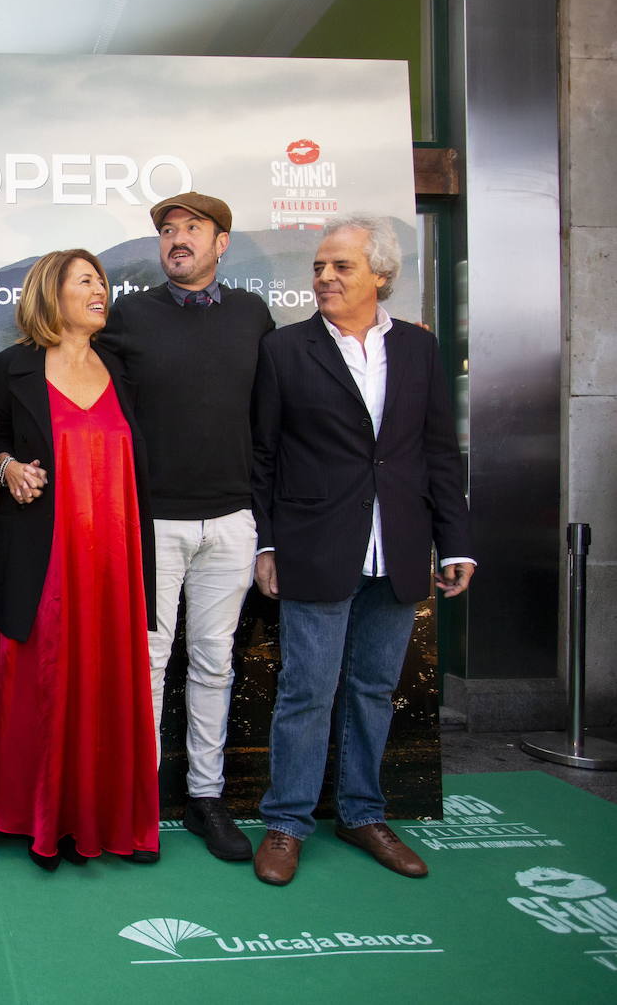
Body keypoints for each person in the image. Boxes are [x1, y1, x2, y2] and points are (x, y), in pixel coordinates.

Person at [249, 214, 474, 886]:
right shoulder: (285, 350)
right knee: (306, 692)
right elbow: (264, 455)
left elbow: (438, 452)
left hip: (400, 549)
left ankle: (362, 813)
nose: (324, 277)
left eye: (340, 267)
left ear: (381, 275)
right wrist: (266, 542)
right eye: (319, 266)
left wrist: (454, 540)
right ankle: (287, 824)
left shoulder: (415, 349)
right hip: (316, 544)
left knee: (374, 690)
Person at [97, 191, 274, 862]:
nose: (177, 240)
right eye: (168, 230)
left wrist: (267, 524)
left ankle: (206, 797)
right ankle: (140, 802)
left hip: (232, 520)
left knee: (214, 663)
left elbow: (270, 422)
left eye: (192, 229)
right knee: (148, 663)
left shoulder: (254, 315)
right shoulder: (130, 314)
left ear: (221, 242)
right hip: (154, 521)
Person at [0, 250, 159, 869]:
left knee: (109, 683)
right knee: (40, 683)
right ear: (52, 295)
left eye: (101, 280)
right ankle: (37, 820)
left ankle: (106, 818)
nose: (101, 289)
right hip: (44, 561)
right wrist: (7, 468)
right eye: (86, 281)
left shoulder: (123, 368)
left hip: (114, 564)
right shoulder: (10, 368)